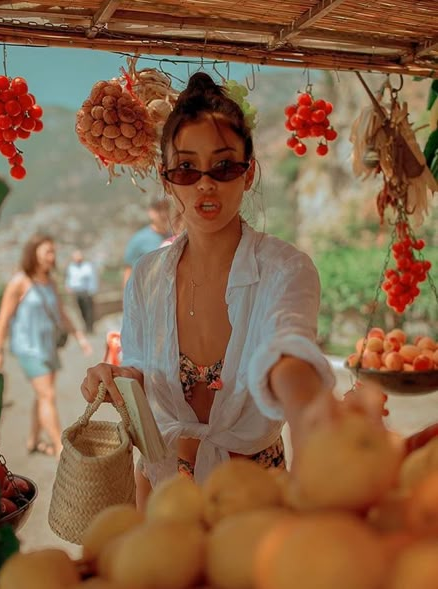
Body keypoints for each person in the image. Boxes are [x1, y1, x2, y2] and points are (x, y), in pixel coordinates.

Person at [80, 72, 384, 509]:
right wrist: (117, 379)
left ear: (248, 172)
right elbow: (145, 371)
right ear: (167, 179)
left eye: (223, 166)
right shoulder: (146, 278)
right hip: (165, 492)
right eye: (186, 168)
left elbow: (287, 349)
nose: (205, 183)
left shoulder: (285, 269)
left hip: (258, 496)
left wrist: (307, 411)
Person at [0, 233, 92, 457]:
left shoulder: (49, 281)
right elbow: (3, 318)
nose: (52, 256)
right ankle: (59, 448)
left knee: (42, 394)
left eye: (53, 251)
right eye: (47, 251)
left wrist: (80, 336)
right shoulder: (20, 282)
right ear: (33, 253)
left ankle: (33, 440)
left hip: (48, 346)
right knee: (47, 395)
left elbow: (61, 313)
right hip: (28, 348)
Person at [122, 198, 171, 288]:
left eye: (166, 208)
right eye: (159, 209)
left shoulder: (175, 237)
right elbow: (128, 271)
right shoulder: (139, 239)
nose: (163, 214)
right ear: (150, 212)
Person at [65, 249, 99, 334]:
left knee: (88, 310)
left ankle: (90, 328)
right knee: (81, 310)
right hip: (77, 292)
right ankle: (85, 325)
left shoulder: (87, 266)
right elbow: (69, 278)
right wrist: (68, 287)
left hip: (86, 291)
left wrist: (93, 290)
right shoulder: (71, 267)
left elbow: (92, 279)